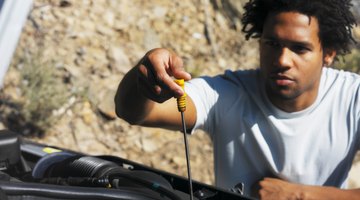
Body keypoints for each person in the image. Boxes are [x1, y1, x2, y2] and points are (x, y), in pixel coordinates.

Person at [115, 0, 360, 199]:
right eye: (272, 44)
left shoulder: (353, 97)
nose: (283, 60)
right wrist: (144, 78)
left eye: (300, 48)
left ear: (328, 54)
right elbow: (134, 112)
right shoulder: (227, 94)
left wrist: (298, 195)